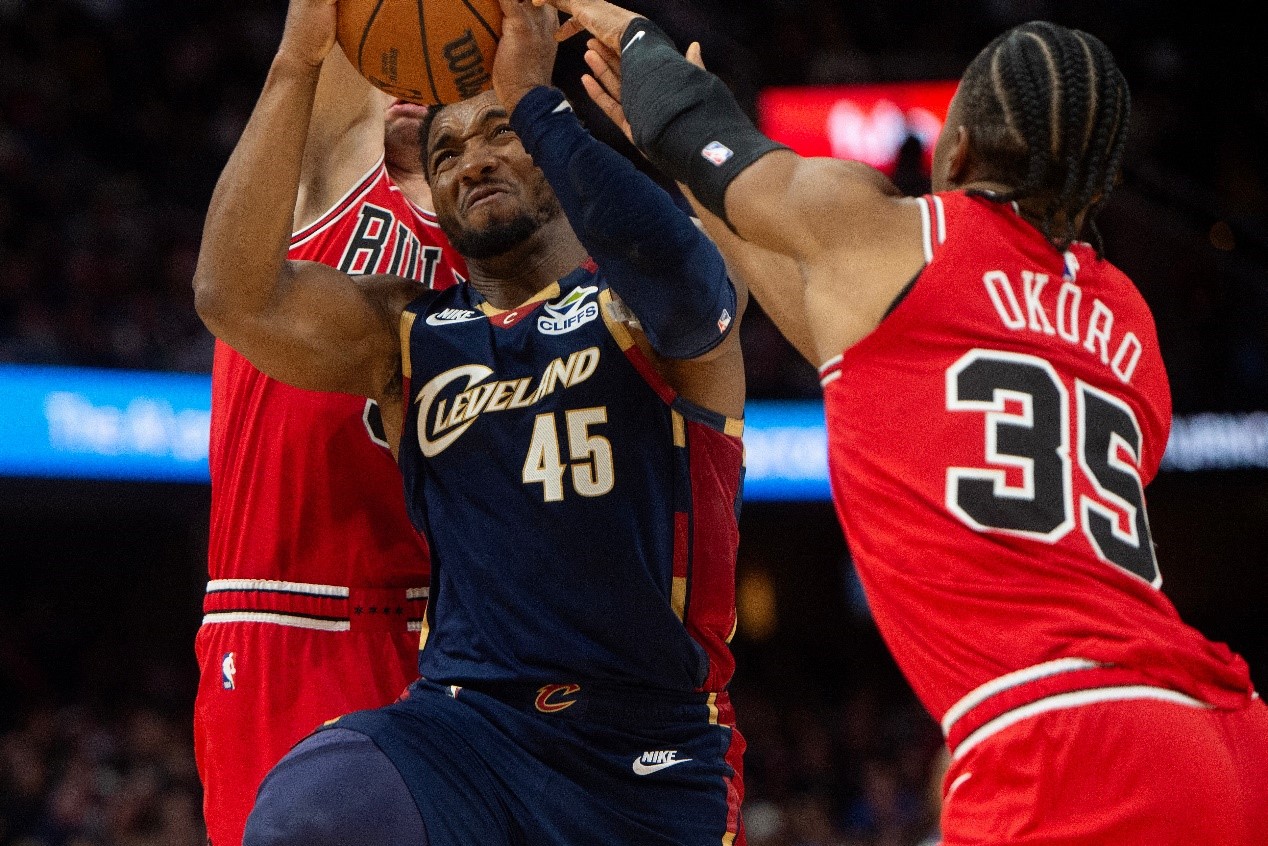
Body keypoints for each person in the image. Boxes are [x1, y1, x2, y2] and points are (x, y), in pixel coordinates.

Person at [540, 2, 1268, 843]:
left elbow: (712, 138)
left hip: (1060, 739)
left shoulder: (896, 235)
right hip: (1225, 731)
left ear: (955, 150)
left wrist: (636, 39)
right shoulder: (1127, 318)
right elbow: (826, 314)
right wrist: (685, 166)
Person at [192, 0, 749, 844]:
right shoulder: (416, 331)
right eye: (446, 151)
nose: (473, 161)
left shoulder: (641, 309)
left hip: (642, 738)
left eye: (500, 134)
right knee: (308, 813)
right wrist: (297, 59)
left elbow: (691, 274)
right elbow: (231, 297)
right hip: (463, 715)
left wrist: (562, 107)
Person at [192, 23, 466, 846]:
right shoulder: (340, 161)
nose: (412, 76)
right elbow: (322, 38)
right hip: (283, 609)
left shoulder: (511, 234)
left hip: (453, 633)